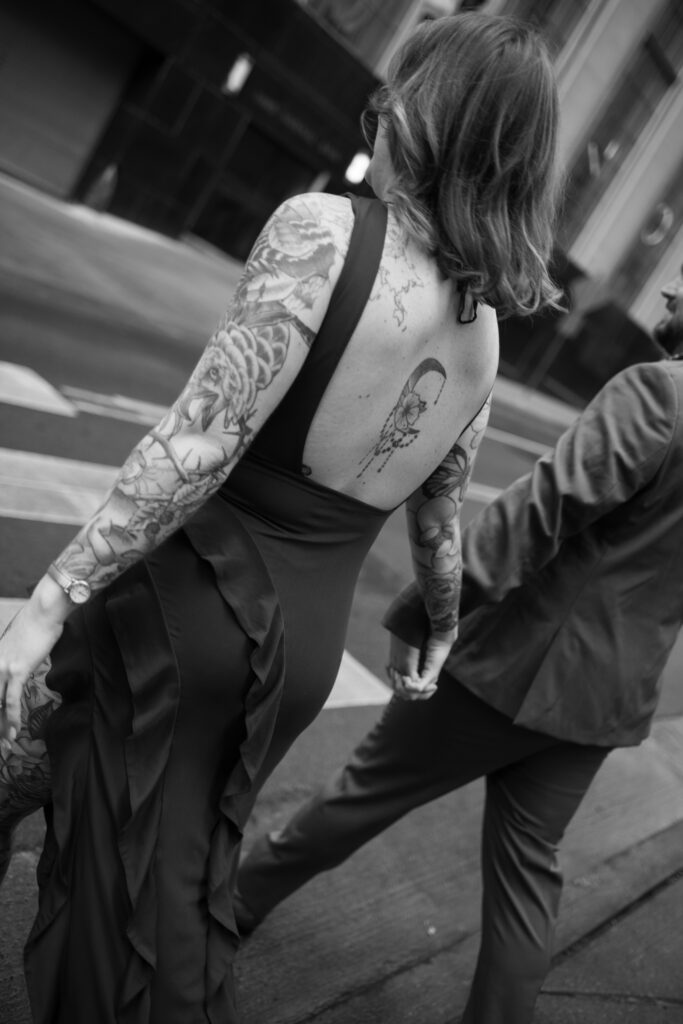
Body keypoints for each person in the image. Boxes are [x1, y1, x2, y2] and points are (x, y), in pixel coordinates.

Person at [0, 13, 560, 1023]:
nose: (379, 114)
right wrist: (436, 625)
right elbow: (439, 525)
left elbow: (198, 442)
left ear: (423, 117)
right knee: (157, 868)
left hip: (188, 610)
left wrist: (52, 595)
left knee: (79, 822)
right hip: (291, 657)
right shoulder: (482, 346)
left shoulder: (324, 230)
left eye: (392, 96)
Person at [232, 261, 683, 1024]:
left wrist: (434, 609)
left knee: (360, 796)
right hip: (604, 696)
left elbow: (544, 507)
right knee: (525, 878)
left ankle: (226, 914)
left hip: (511, 667)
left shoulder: (658, 392)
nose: (669, 291)